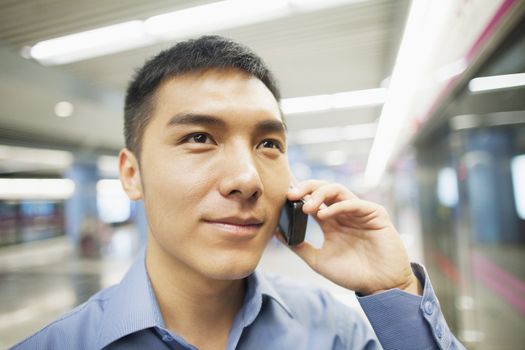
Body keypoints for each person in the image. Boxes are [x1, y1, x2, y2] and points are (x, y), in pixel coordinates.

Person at [12, 35, 465, 350]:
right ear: (132, 174)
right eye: (199, 138)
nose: (247, 180)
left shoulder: (338, 331)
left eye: (268, 144)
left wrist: (396, 289)